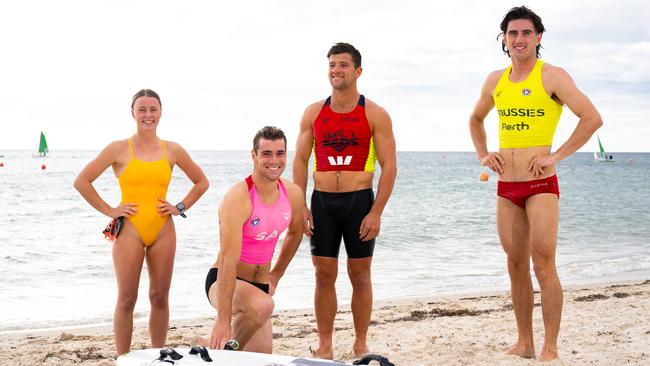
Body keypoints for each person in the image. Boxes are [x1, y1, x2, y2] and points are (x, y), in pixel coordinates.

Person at [469, 6, 602, 361]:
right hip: (506, 187)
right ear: (504, 39)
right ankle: (525, 342)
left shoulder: (552, 76)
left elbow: (592, 119)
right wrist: (484, 154)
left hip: (541, 185)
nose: (519, 39)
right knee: (515, 264)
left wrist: (555, 156)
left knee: (543, 263)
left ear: (539, 37)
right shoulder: (495, 80)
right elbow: (475, 120)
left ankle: (550, 347)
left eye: (526, 33)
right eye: (512, 33)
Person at [74, 89, 209, 355]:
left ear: (161, 112)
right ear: (133, 113)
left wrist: (179, 206)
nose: (148, 115)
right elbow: (82, 181)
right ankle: (122, 357)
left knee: (159, 297)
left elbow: (202, 182)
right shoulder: (118, 148)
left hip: (163, 229)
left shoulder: (172, 149)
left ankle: (160, 355)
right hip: (130, 231)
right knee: (127, 298)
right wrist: (110, 210)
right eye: (142, 109)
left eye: (153, 109)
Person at [293, 43, 397, 359]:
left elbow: (389, 167)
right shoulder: (313, 113)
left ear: (358, 71)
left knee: (360, 275)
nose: (336, 70)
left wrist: (376, 211)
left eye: (343, 65)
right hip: (322, 202)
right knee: (323, 275)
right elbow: (299, 160)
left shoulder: (374, 113)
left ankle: (360, 342)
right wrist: (300, 205)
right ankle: (325, 344)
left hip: (359, 203)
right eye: (331, 65)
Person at [198, 126, 305, 353]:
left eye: (280, 153)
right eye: (266, 153)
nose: (274, 160)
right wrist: (223, 320)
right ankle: (220, 353)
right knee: (263, 305)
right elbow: (228, 259)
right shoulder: (238, 198)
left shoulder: (293, 193)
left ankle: (209, 347)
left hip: (260, 287)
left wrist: (276, 274)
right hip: (224, 282)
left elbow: (296, 233)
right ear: (254, 155)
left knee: (260, 356)